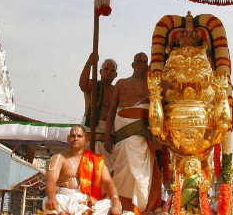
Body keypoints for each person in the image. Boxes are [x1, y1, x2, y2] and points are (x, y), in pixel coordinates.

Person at [104, 52, 162, 215]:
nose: (143, 64)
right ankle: (122, 206)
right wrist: (108, 134)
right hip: (124, 132)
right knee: (123, 170)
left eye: (145, 61)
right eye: (139, 61)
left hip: (144, 134)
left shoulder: (153, 86)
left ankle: (139, 209)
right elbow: (111, 109)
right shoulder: (122, 83)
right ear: (133, 64)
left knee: (143, 175)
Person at [44, 125, 122, 215]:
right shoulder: (59, 158)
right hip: (66, 197)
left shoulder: (96, 160)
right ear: (68, 138)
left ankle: (81, 211)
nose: (75, 138)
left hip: (88, 201)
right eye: (72, 136)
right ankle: (83, 212)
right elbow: (51, 179)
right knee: (47, 200)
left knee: (110, 203)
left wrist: (116, 202)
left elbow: (108, 182)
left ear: (86, 139)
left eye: (79, 136)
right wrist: (52, 198)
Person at [79, 52, 118, 171]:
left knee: (106, 169)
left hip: (109, 133)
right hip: (91, 129)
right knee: (88, 167)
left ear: (115, 74)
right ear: (100, 71)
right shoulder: (93, 85)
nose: (108, 72)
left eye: (112, 71)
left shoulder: (116, 90)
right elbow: (83, 85)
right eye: (106, 69)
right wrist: (89, 63)